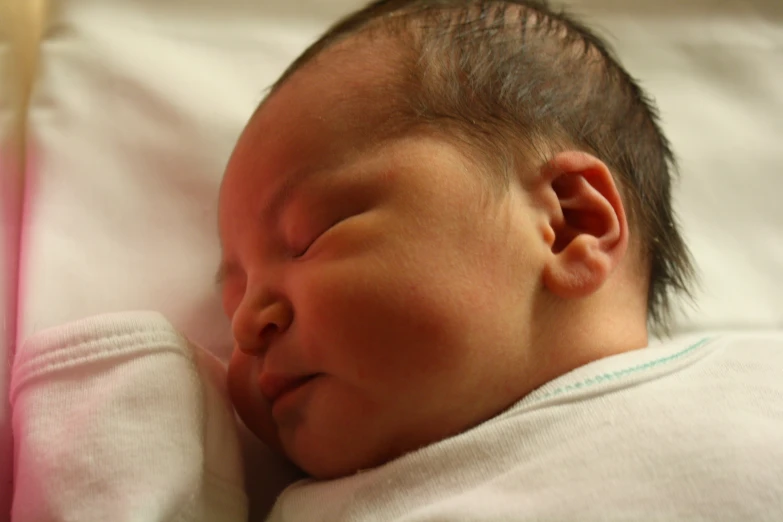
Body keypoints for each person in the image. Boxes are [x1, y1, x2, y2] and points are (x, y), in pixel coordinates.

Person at [10, 1, 783, 521]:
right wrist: (133, 414)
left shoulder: (751, 388)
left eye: (311, 235)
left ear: (567, 225)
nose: (245, 324)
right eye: (235, 292)